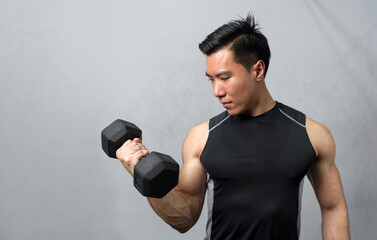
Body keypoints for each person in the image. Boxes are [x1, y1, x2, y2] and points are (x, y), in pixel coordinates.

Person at [115, 13, 350, 240]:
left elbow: (333, 209)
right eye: (211, 79)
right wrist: (142, 174)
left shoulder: (311, 134)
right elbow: (184, 218)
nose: (216, 91)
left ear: (258, 70)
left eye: (225, 78)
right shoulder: (201, 137)